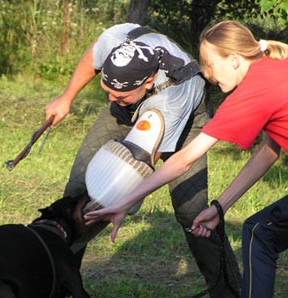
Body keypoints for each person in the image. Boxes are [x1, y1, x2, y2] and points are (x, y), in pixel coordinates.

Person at [85, 20, 288, 298]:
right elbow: (269, 151)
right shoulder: (282, 63)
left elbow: (185, 159)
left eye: (209, 64)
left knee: (259, 231)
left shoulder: (255, 89)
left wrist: (124, 201)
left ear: (233, 59)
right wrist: (220, 208)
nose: (207, 74)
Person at [45, 23, 241, 297]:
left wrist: (123, 202)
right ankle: (60, 285)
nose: (110, 98)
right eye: (107, 90)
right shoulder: (118, 43)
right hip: (132, 107)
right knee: (78, 194)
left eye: (118, 94)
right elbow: (93, 55)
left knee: (192, 214)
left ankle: (230, 292)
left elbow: (137, 168)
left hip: (184, 119)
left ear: (147, 81)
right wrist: (66, 98)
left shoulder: (173, 98)